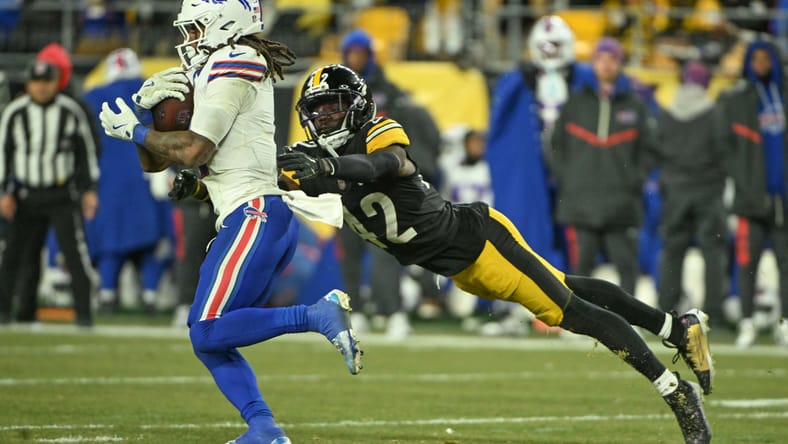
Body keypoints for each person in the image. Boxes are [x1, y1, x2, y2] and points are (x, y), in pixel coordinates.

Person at [272, 63, 712, 443]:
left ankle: (676, 393)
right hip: (460, 269)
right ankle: (676, 328)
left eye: (333, 106)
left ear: (357, 104)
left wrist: (330, 168)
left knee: (571, 313)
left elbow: (385, 165)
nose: (324, 117)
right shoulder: (311, 157)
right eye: (316, 109)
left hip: (480, 241)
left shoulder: (377, 131)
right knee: (566, 287)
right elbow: (266, 178)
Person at [96, 1, 362, 443]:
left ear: (226, 24)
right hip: (253, 217)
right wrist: (146, 119)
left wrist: (137, 132)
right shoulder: (214, 69)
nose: (190, 41)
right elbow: (156, 163)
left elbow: (195, 150)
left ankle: (317, 314)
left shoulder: (234, 59)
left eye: (197, 29)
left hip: (254, 214)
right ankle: (264, 429)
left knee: (207, 328)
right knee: (210, 337)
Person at [338, 28, 442, 337]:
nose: (356, 59)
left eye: (361, 53)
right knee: (350, 253)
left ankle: (391, 310)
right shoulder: (337, 94)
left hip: (381, 183)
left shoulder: (392, 96)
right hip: (345, 181)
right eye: (351, 53)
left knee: (386, 251)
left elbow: (406, 138)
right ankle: (353, 310)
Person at [550, 37, 654, 297]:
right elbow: (554, 145)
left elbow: (648, 150)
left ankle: (632, 320)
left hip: (621, 202)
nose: (606, 65)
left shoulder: (635, 105)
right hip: (580, 201)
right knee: (580, 266)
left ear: (620, 64)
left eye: (612, 59)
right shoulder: (575, 103)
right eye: (601, 59)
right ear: (593, 63)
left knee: (627, 265)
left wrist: (634, 179)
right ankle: (576, 321)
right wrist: (569, 178)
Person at [0, 59, 99, 327]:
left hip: (61, 195)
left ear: (56, 83)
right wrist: (4, 192)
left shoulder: (70, 111)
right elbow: (3, 154)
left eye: (47, 82)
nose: (42, 88)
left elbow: (86, 152)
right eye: (37, 82)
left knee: (75, 254)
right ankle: (10, 313)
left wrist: (89, 189)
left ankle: (84, 316)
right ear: (29, 83)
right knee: (15, 255)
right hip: (24, 194)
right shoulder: (15, 112)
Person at [83, 47, 174, 315]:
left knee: (111, 242)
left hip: (107, 184)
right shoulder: (156, 93)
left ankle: (108, 294)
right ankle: (150, 296)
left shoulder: (91, 97)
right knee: (153, 242)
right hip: (150, 179)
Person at [716, 39, 788, 347]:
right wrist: (741, 181)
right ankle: (747, 322)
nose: (761, 64)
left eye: (766, 58)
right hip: (749, 200)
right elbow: (724, 147)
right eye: (755, 58)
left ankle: (784, 324)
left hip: (783, 200)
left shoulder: (783, 95)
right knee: (747, 264)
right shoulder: (736, 99)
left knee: (786, 264)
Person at [653, 61, 728, 326]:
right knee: (713, 251)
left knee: (673, 249)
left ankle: (666, 310)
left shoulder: (668, 112)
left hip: (675, 190)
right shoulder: (715, 112)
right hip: (708, 189)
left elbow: (658, 149)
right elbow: (723, 151)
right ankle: (715, 313)